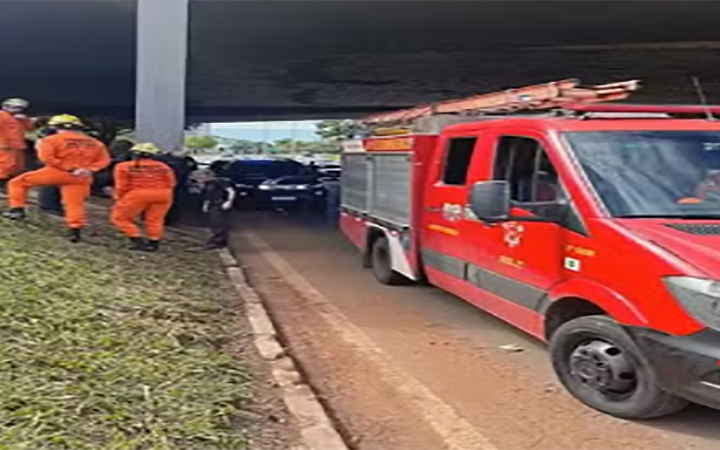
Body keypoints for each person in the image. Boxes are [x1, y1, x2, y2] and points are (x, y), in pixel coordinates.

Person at [3, 114, 110, 242]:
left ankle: (16, 210)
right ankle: (75, 231)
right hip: (82, 177)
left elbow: (46, 158)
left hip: (55, 172)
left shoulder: (52, 140)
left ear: (56, 127)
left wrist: (69, 168)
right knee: (75, 204)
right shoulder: (95, 143)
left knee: (17, 183)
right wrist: (89, 169)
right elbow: (104, 160)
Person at [110, 143, 176, 252]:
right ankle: (153, 243)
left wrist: (120, 199)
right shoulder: (163, 166)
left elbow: (122, 185)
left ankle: (137, 241)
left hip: (138, 193)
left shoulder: (123, 166)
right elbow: (171, 182)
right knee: (155, 220)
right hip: (164, 194)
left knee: (119, 218)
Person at [192, 168, 236, 250]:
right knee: (214, 223)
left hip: (220, 204)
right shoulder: (207, 184)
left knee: (219, 223)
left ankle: (218, 242)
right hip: (212, 205)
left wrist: (229, 201)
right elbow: (207, 196)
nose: (198, 180)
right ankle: (218, 241)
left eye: (199, 177)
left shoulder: (220, 181)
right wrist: (205, 205)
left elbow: (231, 191)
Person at [0, 98, 33, 187]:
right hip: (5, 146)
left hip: (17, 145)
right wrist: (2, 143)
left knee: (18, 166)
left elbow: (29, 128)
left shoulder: (19, 118)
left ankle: (10, 183)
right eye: (13, 107)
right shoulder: (1, 116)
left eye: (19, 108)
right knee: (5, 165)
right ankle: (2, 184)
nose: (15, 109)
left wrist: (25, 120)